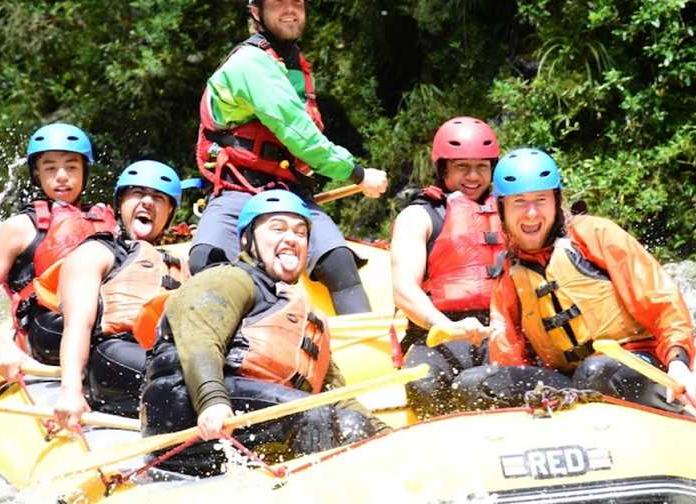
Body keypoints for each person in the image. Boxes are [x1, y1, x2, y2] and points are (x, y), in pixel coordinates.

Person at [142, 190, 385, 476]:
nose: (292, 238)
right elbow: (200, 338)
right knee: (316, 415)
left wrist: (381, 432)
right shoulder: (229, 278)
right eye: (277, 228)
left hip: (250, 412)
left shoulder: (296, 311)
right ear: (247, 240)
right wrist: (212, 402)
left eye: (301, 232)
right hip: (183, 408)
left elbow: (332, 392)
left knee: (349, 422)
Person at [455, 148, 696, 411]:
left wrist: (678, 361)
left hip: (635, 362)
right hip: (567, 381)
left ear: (556, 201)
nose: (532, 213)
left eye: (541, 199)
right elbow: (509, 355)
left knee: (594, 373)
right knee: (474, 384)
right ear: (501, 208)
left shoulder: (595, 235)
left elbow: (662, 302)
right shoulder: (511, 273)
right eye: (519, 202)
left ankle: (667, 406)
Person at [190, 0, 388, 315]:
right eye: (278, 3)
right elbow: (300, 136)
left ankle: (367, 352)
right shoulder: (250, 63)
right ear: (257, 11)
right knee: (206, 258)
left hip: (291, 194)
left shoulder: (293, 66)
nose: (290, 10)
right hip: (238, 190)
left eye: (296, 3)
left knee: (339, 261)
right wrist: (357, 173)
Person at [45, 160, 189, 427]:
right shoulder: (97, 252)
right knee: (188, 371)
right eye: (137, 193)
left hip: (162, 356)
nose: (147, 202)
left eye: (158, 198)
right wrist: (70, 391)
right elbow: (78, 323)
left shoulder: (181, 265)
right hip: (113, 358)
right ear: (120, 204)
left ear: (169, 212)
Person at [390, 117, 502, 417]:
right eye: (462, 167)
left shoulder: (510, 211)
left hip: (497, 330)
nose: (473, 176)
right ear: (444, 169)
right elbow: (404, 290)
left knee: (495, 380)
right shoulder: (418, 217)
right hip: (437, 333)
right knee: (424, 382)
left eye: (481, 167)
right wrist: (446, 327)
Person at [0, 123, 116, 380]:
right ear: (37, 174)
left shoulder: (104, 223)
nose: (62, 175)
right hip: (42, 346)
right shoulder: (19, 227)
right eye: (50, 167)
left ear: (85, 172)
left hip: (100, 337)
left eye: (71, 166)